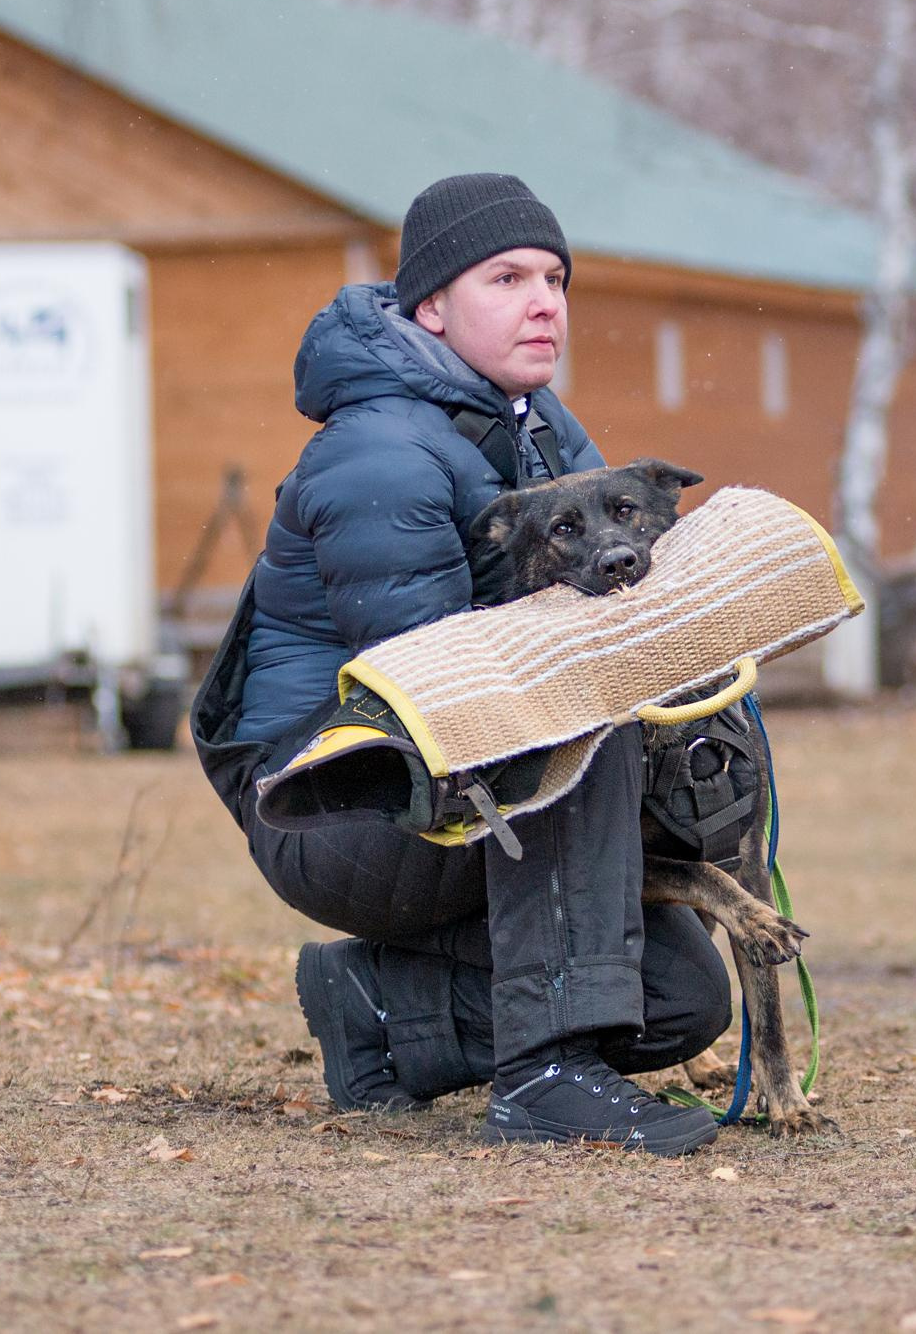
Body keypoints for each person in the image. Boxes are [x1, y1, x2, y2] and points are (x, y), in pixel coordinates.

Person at [190, 172, 731, 1155]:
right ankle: (545, 1078)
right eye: (507, 276)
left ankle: (376, 1008)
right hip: (332, 795)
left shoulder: (539, 431)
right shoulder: (381, 453)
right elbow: (440, 685)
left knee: (679, 996)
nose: (543, 301)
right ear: (430, 305)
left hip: (442, 784)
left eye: (557, 277)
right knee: (567, 714)